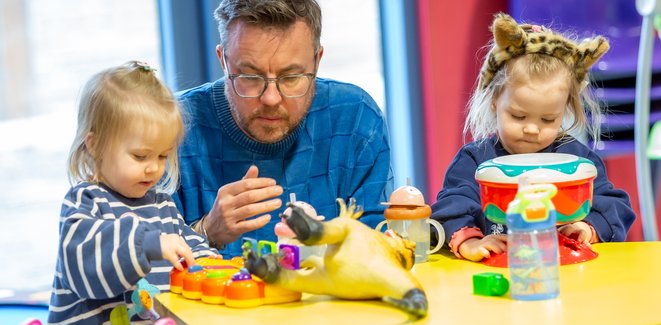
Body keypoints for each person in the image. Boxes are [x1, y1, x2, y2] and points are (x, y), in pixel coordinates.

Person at [174, 0, 393, 258]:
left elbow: (377, 249)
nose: (271, 98)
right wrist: (207, 231)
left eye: (290, 77)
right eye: (250, 77)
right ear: (223, 61)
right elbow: (139, 267)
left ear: (316, 61)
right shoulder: (174, 127)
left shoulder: (356, 119)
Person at [431, 13, 636, 262]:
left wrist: (587, 227)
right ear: (496, 102)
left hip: (566, 277)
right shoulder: (475, 159)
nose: (532, 129)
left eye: (547, 119)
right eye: (518, 116)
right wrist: (470, 242)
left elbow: (613, 204)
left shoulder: (576, 159)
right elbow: (454, 205)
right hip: (501, 273)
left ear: (565, 110)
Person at [47, 61, 219, 325]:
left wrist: (214, 266)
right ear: (95, 145)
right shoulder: (86, 202)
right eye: (140, 156)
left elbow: (191, 247)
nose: (153, 167)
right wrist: (148, 243)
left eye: (162, 155)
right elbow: (84, 264)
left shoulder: (162, 205)